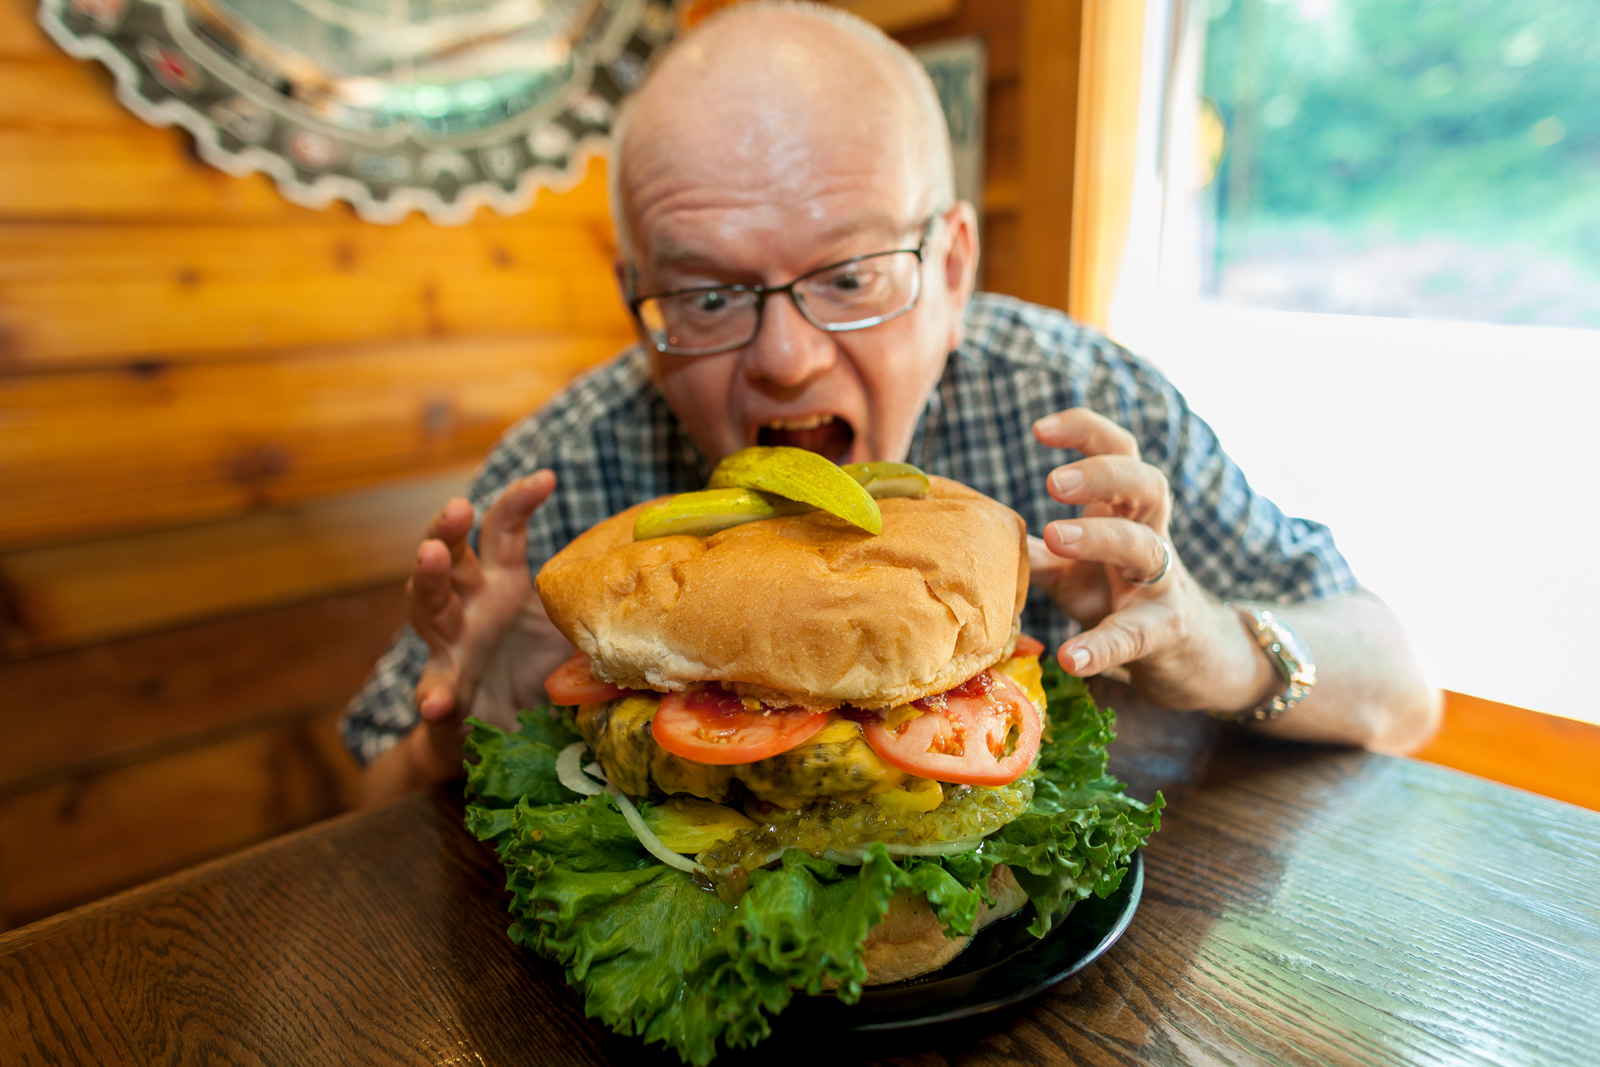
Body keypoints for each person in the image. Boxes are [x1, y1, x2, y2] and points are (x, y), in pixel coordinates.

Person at [344, 1, 1438, 806]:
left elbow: (1399, 685)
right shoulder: (559, 481)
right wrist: (464, 736)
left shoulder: (1076, 401)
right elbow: (367, 791)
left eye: (850, 277)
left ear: (953, 266)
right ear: (638, 301)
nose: (782, 357)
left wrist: (1219, 648)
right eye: (708, 293)